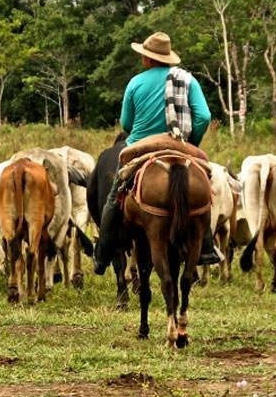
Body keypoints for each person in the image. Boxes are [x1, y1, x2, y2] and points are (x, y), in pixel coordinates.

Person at [92, 31, 222, 275]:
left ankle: (103, 253)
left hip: (141, 144)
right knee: (205, 192)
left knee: (113, 197)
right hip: (178, 144)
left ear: (147, 59)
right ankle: (205, 246)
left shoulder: (135, 83)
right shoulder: (188, 80)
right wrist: (190, 143)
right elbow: (204, 116)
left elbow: (126, 123)